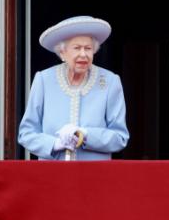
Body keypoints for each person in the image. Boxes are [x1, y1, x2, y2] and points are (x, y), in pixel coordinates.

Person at [18, 16, 129, 160]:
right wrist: (54, 144)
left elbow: (120, 137)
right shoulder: (44, 80)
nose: (83, 54)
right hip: (51, 175)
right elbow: (26, 134)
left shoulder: (110, 82)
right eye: (77, 48)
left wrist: (85, 134)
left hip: (94, 175)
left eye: (88, 48)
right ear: (62, 53)